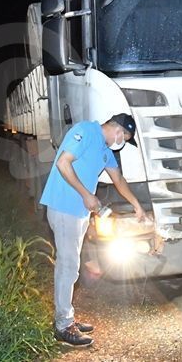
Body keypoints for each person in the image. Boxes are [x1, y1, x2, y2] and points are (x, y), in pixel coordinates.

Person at [40, 113, 145, 347]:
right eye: (125, 138)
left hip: (79, 212)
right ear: (118, 130)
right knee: (68, 267)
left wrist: (137, 205)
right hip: (64, 206)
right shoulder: (86, 131)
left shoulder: (105, 151)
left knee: (72, 267)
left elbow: (119, 180)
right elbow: (63, 163)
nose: (123, 142)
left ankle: (66, 316)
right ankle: (62, 326)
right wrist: (87, 194)